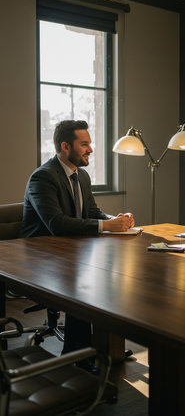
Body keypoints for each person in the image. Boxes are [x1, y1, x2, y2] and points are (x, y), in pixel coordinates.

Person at [20, 120, 135, 361]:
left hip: (72, 251)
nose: (90, 150)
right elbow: (57, 224)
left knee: (114, 275)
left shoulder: (81, 176)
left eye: (90, 144)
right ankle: (77, 355)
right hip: (40, 258)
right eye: (84, 144)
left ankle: (106, 347)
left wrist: (116, 219)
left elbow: (92, 212)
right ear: (65, 146)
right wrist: (107, 226)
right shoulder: (43, 177)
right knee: (85, 283)